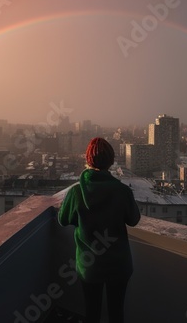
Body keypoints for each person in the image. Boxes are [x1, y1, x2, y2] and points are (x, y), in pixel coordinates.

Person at [57, 137, 141, 323]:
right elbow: (134, 220)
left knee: (92, 312)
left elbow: (63, 220)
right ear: (111, 161)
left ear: (88, 160)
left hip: (90, 266)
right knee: (116, 312)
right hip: (119, 264)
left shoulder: (76, 192)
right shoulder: (122, 191)